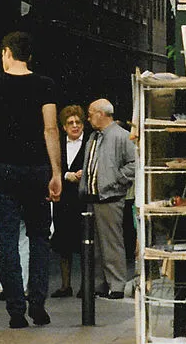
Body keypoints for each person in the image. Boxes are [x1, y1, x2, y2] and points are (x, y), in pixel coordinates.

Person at [0, 32, 62, 329]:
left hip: (4, 169)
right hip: (36, 170)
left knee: (7, 241)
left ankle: (15, 310)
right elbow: (50, 130)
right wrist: (56, 172)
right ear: (30, 56)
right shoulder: (45, 85)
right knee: (39, 238)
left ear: (7, 52)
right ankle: (38, 304)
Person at [82, 99, 136, 299]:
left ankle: (116, 284)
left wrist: (115, 180)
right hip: (94, 195)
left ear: (101, 114)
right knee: (95, 245)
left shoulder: (121, 136)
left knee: (111, 242)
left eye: (91, 113)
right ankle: (101, 283)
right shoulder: (95, 137)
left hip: (110, 196)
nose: (88, 118)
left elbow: (133, 164)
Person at [51, 105, 87, 298]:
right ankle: (66, 285)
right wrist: (66, 175)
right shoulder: (57, 144)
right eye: (70, 123)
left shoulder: (89, 143)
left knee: (84, 244)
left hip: (82, 199)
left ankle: (84, 285)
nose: (75, 126)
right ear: (64, 127)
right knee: (63, 243)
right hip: (63, 198)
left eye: (78, 122)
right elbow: (53, 168)